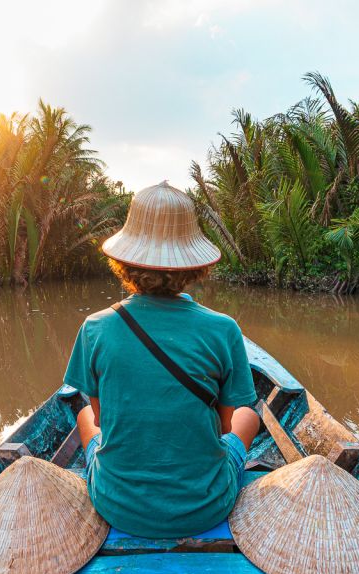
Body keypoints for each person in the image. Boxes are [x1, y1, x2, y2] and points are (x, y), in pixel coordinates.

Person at [63, 180, 260, 539]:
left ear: (124, 261)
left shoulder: (96, 328)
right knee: (248, 415)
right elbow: (224, 428)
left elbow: (104, 419)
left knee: (82, 415)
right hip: (205, 506)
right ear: (193, 266)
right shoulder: (223, 329)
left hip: (116, 504)